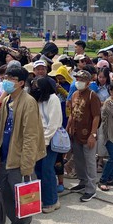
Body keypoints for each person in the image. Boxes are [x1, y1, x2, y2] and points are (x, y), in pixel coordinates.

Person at [0, 66, 45, 224]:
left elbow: (31, 135)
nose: (6, 80)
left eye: (11, 78)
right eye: (6, 76)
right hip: (7, 157)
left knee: (23, 198)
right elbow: (2, 132)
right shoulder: (8, 100)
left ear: (21, 83)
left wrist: (27, 164)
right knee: (7, 196)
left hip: (20, 159)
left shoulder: (28, 102)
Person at [66, 70, 101, 202]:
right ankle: (82, 182)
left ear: (87, 82)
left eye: (81, 79)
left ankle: (91, 189)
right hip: (75, 133)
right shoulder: (75, 94)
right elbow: (72, 113)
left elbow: (96, 116)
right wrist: (68, 127)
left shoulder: (93, 96)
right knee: (79, 160)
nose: (78, 82)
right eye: (77, 79)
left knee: (90, 162)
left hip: (88, 134)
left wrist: (93, 134)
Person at [31, 77, 62, 213]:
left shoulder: (53, 98)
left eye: (38, 87)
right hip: (38, 139)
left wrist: (45, 141)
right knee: (38, 170)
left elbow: (53, 123)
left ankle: (52, 201)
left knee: (47, 169)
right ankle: (42, 198)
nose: (35, 89)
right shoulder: (38, 99)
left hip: (49, 140)